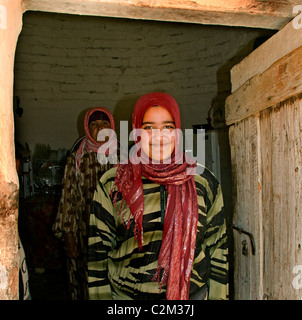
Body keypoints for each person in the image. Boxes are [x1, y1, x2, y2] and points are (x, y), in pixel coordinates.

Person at [87, 93, 228, 300]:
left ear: (177, 131)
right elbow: (97, 255)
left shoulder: (203, 181)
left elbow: (218, 250)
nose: (158, 136)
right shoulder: (113, 182)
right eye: (149, 128)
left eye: (167, 127)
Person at [53, 106, 124, 300]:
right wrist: (68, 236)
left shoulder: (124, 157)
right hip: (85, 233)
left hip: (118, 233)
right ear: (87, 129)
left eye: (104, 123)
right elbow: (68, 199)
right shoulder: (76, 158)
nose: (100, 128)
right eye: (94, 124)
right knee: (88, 284)